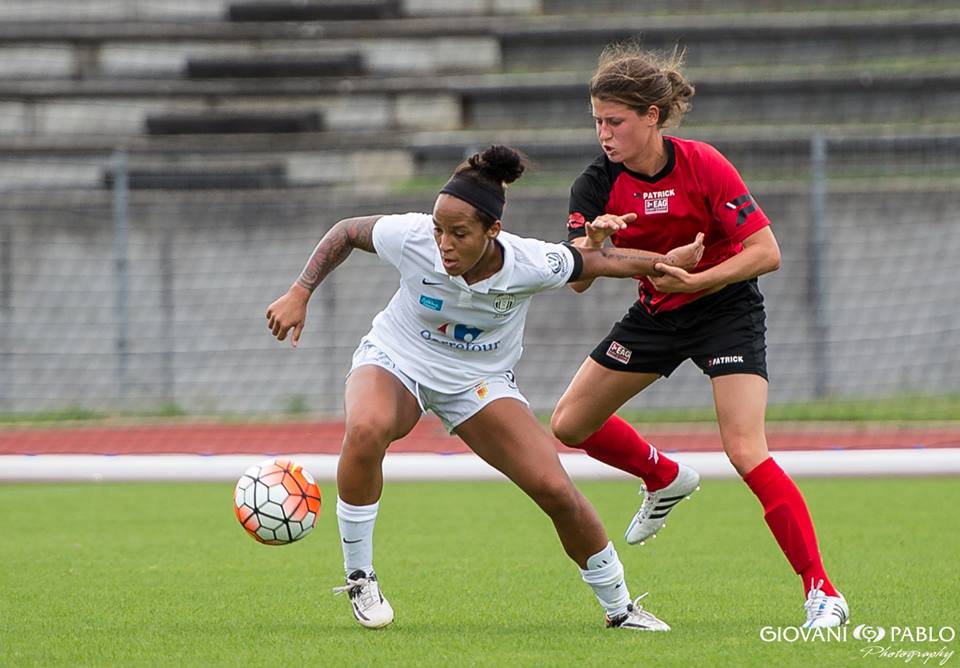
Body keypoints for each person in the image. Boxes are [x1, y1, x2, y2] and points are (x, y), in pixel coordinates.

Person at [265, 145, 705, 631]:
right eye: (438, 230)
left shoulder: (531, 263)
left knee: (555, 489)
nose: (443, 244)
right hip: (398, 357)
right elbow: (346, 231)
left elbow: (600, 263)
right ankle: (359, 576)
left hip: (478, 381)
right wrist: (300, 291)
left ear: (493, 231)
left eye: (458, 233)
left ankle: (620, 609)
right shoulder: (411, 237)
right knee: (366, 429)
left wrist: (665, 262)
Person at [549, 45, 849, 629]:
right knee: (569, 425)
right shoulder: (594, 183)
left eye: (616, 121)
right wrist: (596, 245)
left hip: (725, 310)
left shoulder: (703, 163)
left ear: (652, 117)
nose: (604, 134)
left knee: (744, 449)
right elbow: (579, 284)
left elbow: (767, 252)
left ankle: (822, 592)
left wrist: (697, 277)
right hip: (657, 313)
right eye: (597, 122)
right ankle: (663, 475)